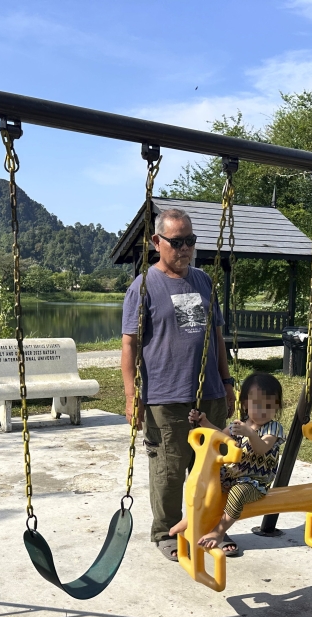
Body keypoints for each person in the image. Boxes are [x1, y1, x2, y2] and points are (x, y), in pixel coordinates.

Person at [121, 208, 237, 562]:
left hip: (209, 394)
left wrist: (228, 381)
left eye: (190, 241)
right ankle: (166, 531)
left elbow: (216, 336)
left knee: (212, 470)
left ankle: (210, 529)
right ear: (157, 242)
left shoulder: (203, 281)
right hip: (165, 397)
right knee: (169, 470)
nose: (184, 248)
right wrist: (131, 395)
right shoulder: (143, 287)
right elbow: (129, 344)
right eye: (176, 242)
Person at [169, 373, 286, 550]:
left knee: (237, 495)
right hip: (231, 474)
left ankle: (220, 531)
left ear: (277, 406)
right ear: (246, 404)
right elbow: (220, 436)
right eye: (257, 405)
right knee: (205, 485)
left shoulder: (274, 428)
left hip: (255, 481)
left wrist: (250, 433)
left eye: (269, 406)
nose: (263, 411)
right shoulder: (241, 424)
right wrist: (204, 422)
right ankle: (190, 519)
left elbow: (262, 448)